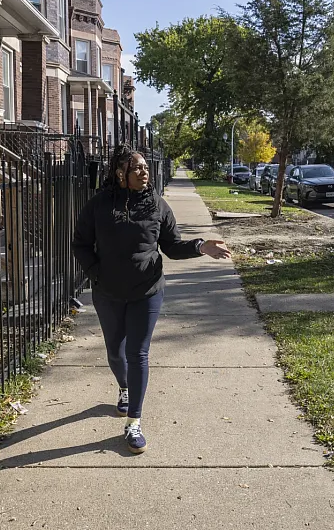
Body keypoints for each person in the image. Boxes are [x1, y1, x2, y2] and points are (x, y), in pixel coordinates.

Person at [72, 144, 231, 454]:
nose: (144, 172)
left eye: (145, 167)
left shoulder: (157, 205)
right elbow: (80, 244)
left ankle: (134, 422)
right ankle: (124, 389)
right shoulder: (98, 205)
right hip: (108, 293)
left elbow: (171, 246)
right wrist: (96, 274)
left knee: (138, 353)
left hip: (147, 291)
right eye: (137, 168)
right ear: (121, 174)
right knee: (115, 353)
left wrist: (199, 246)